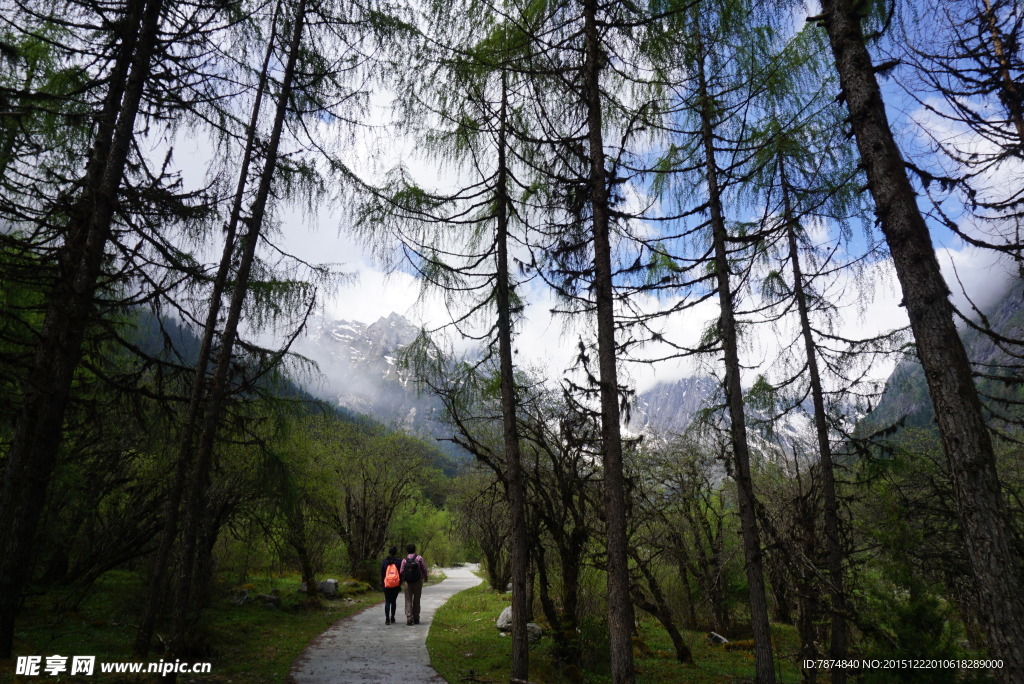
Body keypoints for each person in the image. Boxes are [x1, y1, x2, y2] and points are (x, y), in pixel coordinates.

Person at [400, 543, 428, 626]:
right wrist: (425, 577)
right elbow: (424, 568)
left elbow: (401, 571)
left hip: (408, 583)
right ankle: (416, 618)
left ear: (407, 551)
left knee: (408, 600)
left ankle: (409, 618)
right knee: (416, 599)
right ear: (415, 550)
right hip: (417, 582)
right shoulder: (419, 558)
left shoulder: (404, 560)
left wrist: (404, 578)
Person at [380, 547, 403, 625]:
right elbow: (401, 573)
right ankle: (392, 617)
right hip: (396, 585)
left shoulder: (384, 562)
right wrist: (400, 583)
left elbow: (382, 574)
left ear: (389, 552)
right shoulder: (399, 562)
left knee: (387, 601)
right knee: (393, 601)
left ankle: (387, 619)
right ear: (395, 552)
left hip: (387, 585)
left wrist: (382, 583)